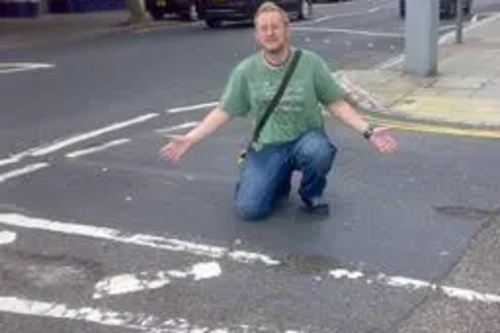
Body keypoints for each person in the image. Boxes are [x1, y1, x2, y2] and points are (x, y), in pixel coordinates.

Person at [161, 1, 398, 221]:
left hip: (306, 139)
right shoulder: (246, 71)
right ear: (256, 34)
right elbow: (224, 111)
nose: (270, 32)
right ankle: (277, 179)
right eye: (263, 28)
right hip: (268, 146)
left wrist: (368, 131)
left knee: (319, 151)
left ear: (287, 29)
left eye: (275, 26)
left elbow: (336, 104)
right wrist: (191, 138)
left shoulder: (310, 63)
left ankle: (311, 194)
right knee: (250, 210)